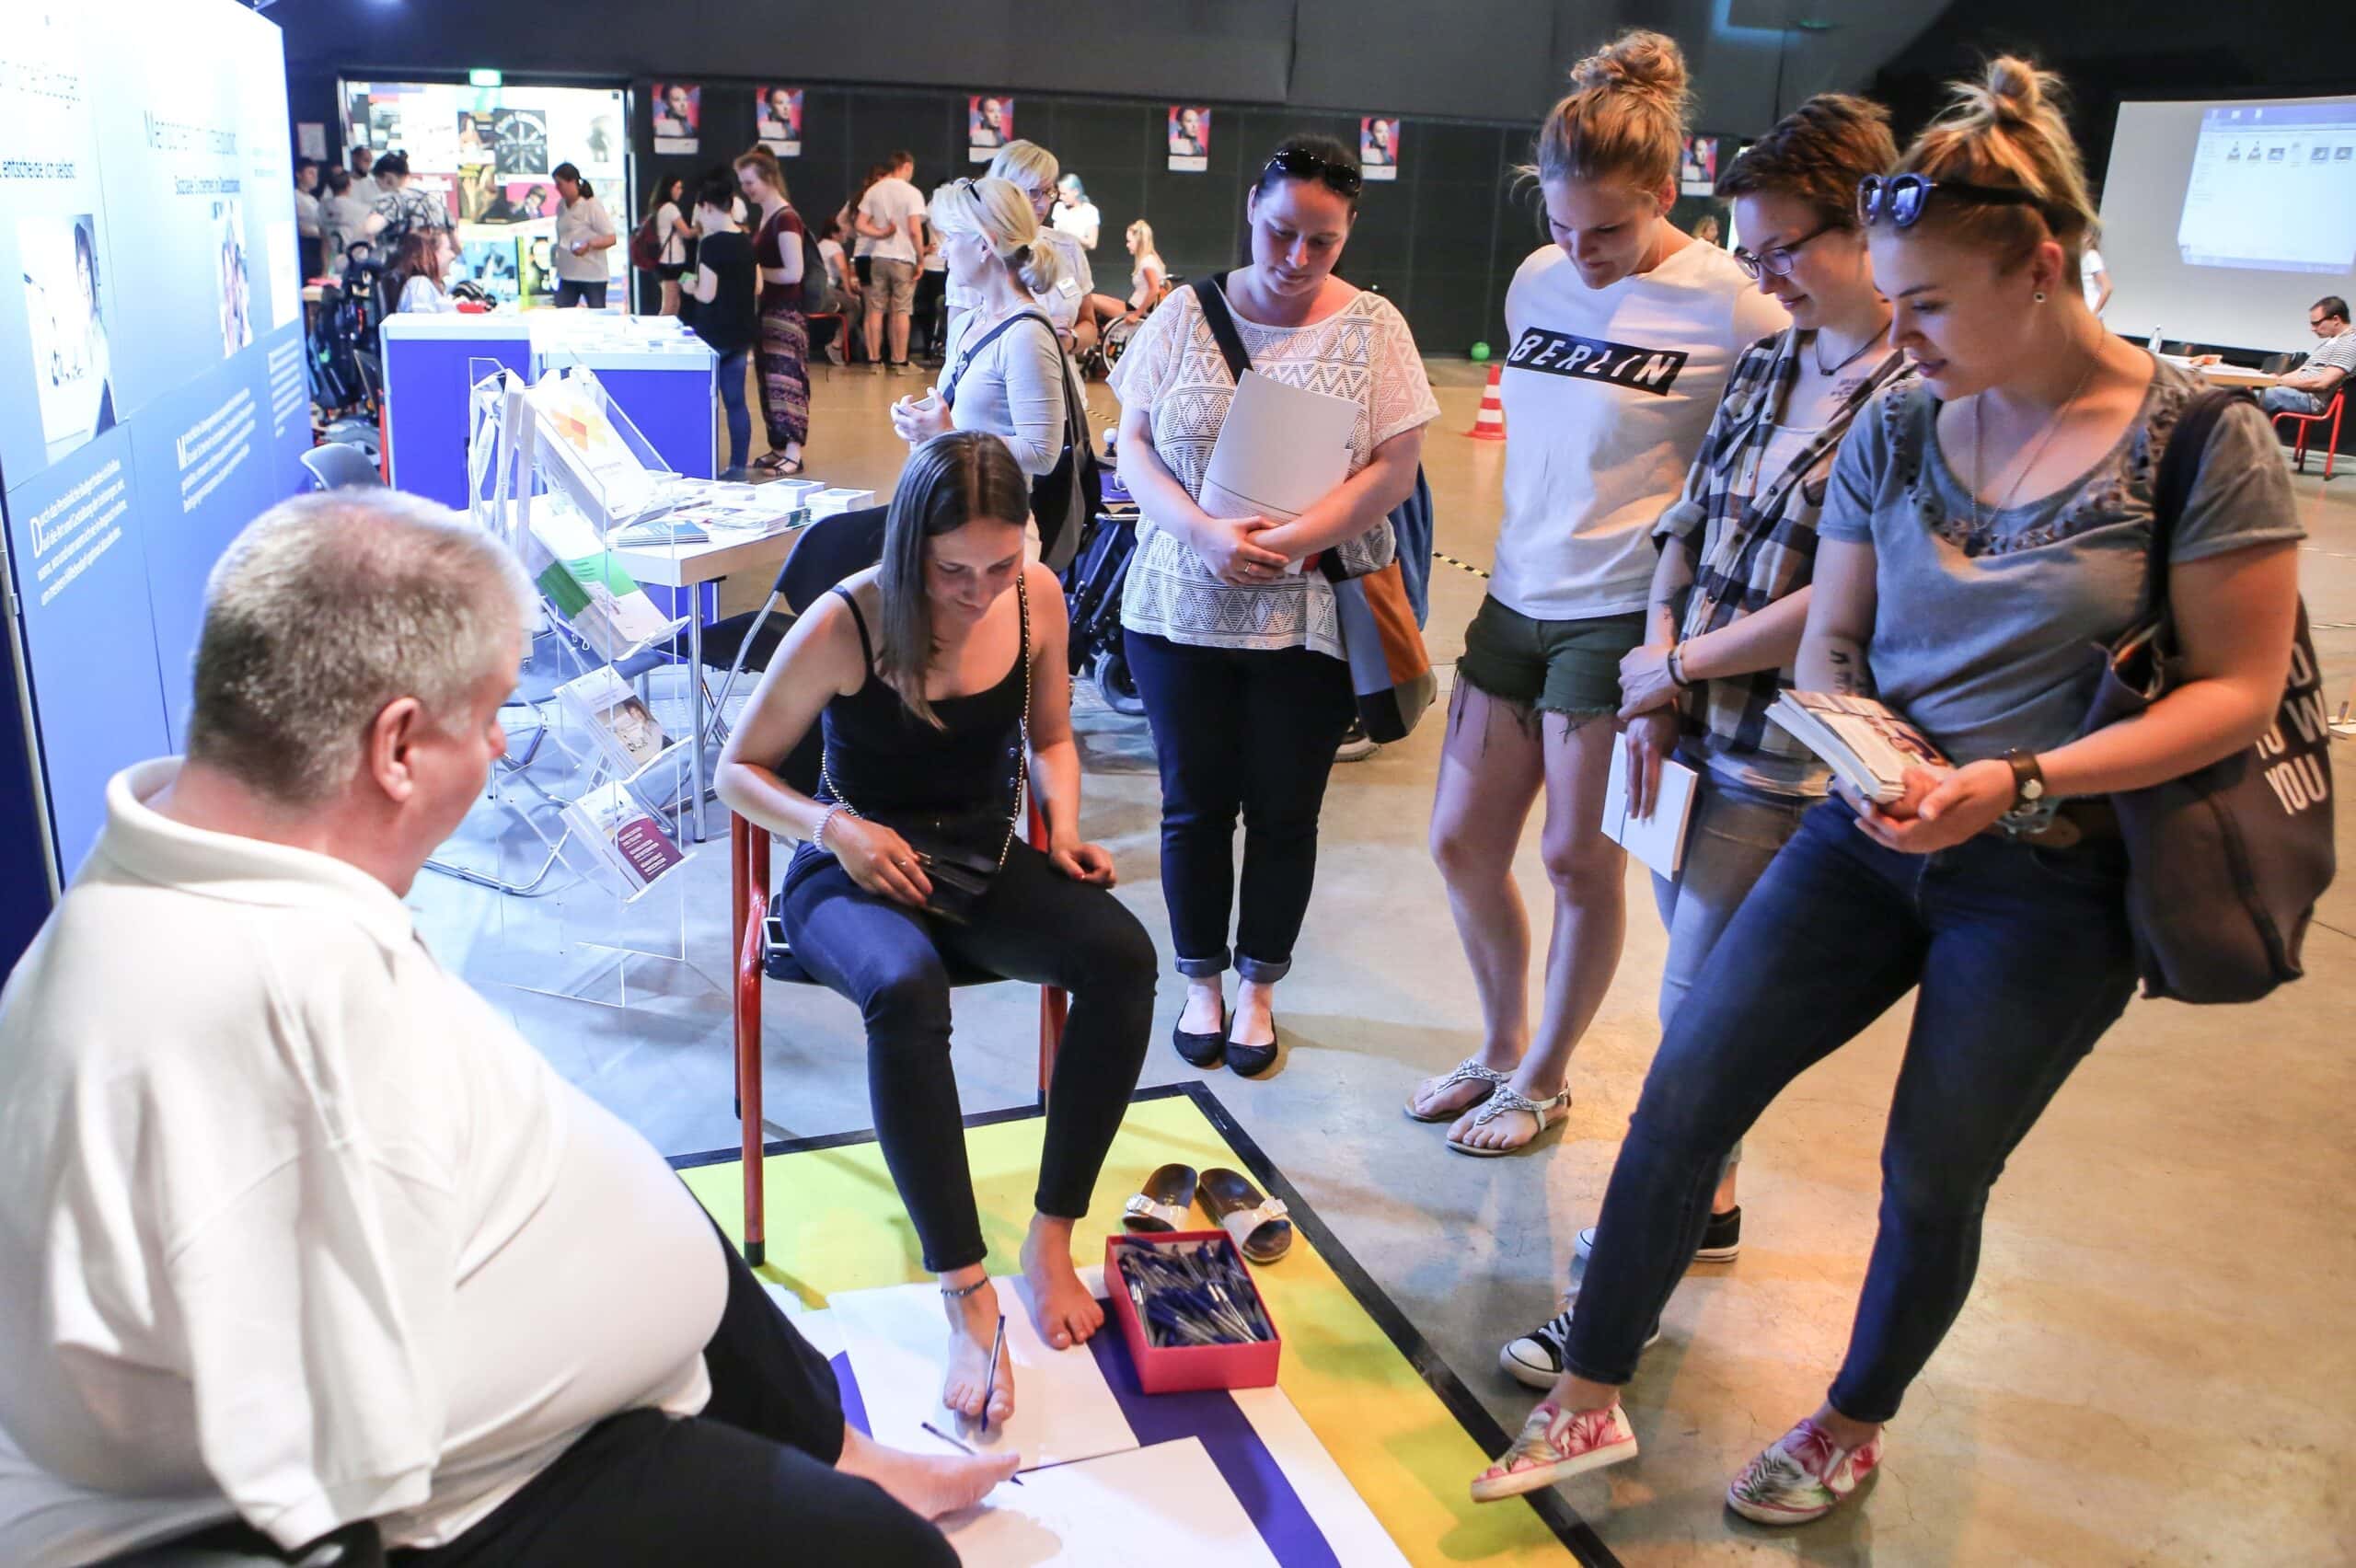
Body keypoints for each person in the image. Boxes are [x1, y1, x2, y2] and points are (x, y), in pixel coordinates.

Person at [1476, 55, 2304, 1524]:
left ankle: (1852, 1419)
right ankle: (1589, 1393)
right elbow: (1839, 632)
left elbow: (2234, 694)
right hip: (1863, 834)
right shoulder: (1901, 423)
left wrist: (2021, 778)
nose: (1899, 335)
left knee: (1932, 1174)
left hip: (2054, 884)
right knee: (1685, 1094)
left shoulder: (2199, 440)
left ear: (2041, 268)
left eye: (1925, 304)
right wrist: (1870, 744)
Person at [0, 492, 1017, 1568]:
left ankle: (849, 1452)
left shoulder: (202, 865)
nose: (498, 743)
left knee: (669, 1233)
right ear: (396, 745)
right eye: (487, 716)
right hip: (477, 1498)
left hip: (525, 1386)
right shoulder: (259, 1005)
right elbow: (332, 1492)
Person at [1500, 98, 1913, 1367]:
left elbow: (1845, 597)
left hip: (1786, 758)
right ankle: (1713, 1205)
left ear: (1867, 233)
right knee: (1701, 996)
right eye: (1753, 246)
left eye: (1788, 247)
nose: (1764, 271)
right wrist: (1661, 678)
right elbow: (1693, 518)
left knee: (1694, 1035)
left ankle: (1618, 1295)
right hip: (1692, 726)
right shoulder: (1783, 354)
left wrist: (1674, 660)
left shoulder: (1914, 389)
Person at [716, 432, 1156, 1424]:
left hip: (977, 861)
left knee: (1123, 959)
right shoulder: (850, 620)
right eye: (954, 569)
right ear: (913, 544)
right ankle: (966, 1290)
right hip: (848, 873)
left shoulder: (1033, 596)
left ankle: (1049, 1241)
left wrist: (1072, 827)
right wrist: (836, 826)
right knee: (905, 988)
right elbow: (736, 770)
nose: (979, 588)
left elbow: (1049, 735)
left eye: (1001, 564)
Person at [1415, 31, 1786, 1154]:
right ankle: (1496, 1045)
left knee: (1580, 859)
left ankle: (1543, 1075)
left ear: (1666, 193)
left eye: (1611, 229)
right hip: (1514, 597)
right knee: (1459, 845)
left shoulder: (1730, 304)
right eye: (1562, 226)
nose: (1581, 251)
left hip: (1621, 618)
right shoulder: (1538, 281)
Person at [1111, 135, 1439, 1077]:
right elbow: (1133, 442)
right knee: (1193, 806)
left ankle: (1258, 984)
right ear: (1250, 211)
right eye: (1280, 233)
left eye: (1321, 242)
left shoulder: (1374, 327)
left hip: (1309, 617)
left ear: (1347, 236)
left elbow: (1394, 469)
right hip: (1177, 607)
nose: (1297, 259)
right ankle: (1202, 979)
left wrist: (1292, 543)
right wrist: (1202, 534)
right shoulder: (1180, 314)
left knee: (1286, 810)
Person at [890, 178, 1070, 500]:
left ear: (985, 244)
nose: (942, 249)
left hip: (993, 520)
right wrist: (921, 422)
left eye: (950, 236)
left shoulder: (1025, 334)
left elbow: (1042, 453)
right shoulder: (970, 322)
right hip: (952, 503)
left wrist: (946, 434)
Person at [735, 146, 813, 476]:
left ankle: (792, 451)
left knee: (786, 380)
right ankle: (780, 446)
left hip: (785, 312)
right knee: (770, 380)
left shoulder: (786, 218)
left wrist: (753, 271)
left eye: (750, 182)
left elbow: (793, 272)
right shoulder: (771, 216)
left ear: (767, 179)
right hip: (769, 310)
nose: (746, 188)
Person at [987, 140, 1096, 354]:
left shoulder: (1068, 247)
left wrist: (1068, 340)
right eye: (1033, 192)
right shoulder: (978, 251)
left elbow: (1089, 325)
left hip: (1062, 382)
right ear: (1004, 190)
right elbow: (960, 339)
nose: (1044, 204)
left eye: (1048, 192)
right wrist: (1033, 334)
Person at [687, 170, 759, 474]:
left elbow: (706, 294)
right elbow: (758, 287)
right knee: (736, 403)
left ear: (705, 207)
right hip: (741, 333)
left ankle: (706, 465)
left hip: (712, 334)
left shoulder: (711, 245)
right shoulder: (746, 241)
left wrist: (687, 282)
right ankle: (738, 466)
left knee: (706, 404)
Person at [858, 151, 928, 375]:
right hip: (903, 258)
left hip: (878, 256)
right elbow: (915, 230)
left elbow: (860, 224)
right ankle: (899, 362)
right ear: (906, 166)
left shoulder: (875, 190)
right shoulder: (912, 193)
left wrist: (879, 234)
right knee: (901, 309)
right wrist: (921, 258)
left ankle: (874, 360)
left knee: (875, 309)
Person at [2261, 294, 2356, 416]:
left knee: (2254, 398)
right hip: (2299, 393)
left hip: (2312, 399)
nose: (2312, 329)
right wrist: (2273, 379)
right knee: (2247, 393)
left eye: (2316, 323)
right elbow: (2301, 371)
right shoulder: (2330, 343)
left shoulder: (2350, 343)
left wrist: (2280, 381)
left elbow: (2322, 383)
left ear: (2336, 320)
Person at [550, 162, 618, 309]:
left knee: (597, 316)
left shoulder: (591, 205)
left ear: (572, 182)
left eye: (560, 184)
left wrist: (589, 245)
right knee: (563, 317)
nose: (557, 189)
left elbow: (611, 238)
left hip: (592, 275)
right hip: (567, 274)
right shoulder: (561, 206)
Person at [1082, 220, 1166, 333]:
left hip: (1134, 310)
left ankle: (1090, 333)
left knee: (1089, 299)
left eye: (1129, 241)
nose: (1127, 245)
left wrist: (1136, 315)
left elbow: (1154, 290)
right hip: (1131, 305)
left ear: (1139, 241)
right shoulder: (1151, 259)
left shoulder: (1147, 263)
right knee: (1091, 297)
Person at [363, 152, 450, 247]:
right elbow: (455, 246)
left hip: (402, 259)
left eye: (379, 185)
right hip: (432, 259)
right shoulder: (434, 202)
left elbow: (369, 228)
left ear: (388, 179)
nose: (380, 190)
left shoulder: (393, 201)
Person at [644, 174, 695, 315]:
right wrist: (701, 227)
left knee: (674, 303)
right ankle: (660, 334)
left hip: (664, 262)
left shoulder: (657, 207)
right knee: (669, 304)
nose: (680, 191)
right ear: (669, 189)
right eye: (677, 187)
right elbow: (687, 233)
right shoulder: (670, 208)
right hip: (671, 263)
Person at [814, 213, 857, 364]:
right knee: (855, 305)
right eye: (843, 231)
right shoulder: (834, 246)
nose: (845, 235)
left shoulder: (819, 245)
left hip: (815, 292)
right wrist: (849, 291)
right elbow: (843, 270)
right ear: (834, 233)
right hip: (827, 292)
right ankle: (836, 345)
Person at [386, 229, 457, 314]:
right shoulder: (419, 286)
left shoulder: (430, 287)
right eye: (448, 249)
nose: (453, 255)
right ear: (432, 253)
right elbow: (422, 325)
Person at [318, 165, 372, 275]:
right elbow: (369, 238)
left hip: (335, 265)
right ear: (349, 185)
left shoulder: (322, 208)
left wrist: (325, 271)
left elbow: (325, 243)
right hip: (358, 264)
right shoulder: (363, 210)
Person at [1052, 172, 1100, 250]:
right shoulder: (1059, 207)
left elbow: (1092, 244)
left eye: (1064, 194)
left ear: (1076, 192)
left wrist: (1071, 235)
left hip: (1077, 257)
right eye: (1060, 194)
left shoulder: (1090, 211)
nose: (1060, 197)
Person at [294, 158, 322, 277]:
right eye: (310, 173)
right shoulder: (295, 197)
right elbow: (300, 227)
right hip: (305, 250)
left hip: (317, 249)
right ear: (299, 175)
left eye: (316, 174)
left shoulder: (313, 199)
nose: (315, 177)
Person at [2080, 238, 2111, 316]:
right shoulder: (2080, 258)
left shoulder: (2091, 256)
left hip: (2089, 311)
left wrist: (2094, 314)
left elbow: (2108, 287)